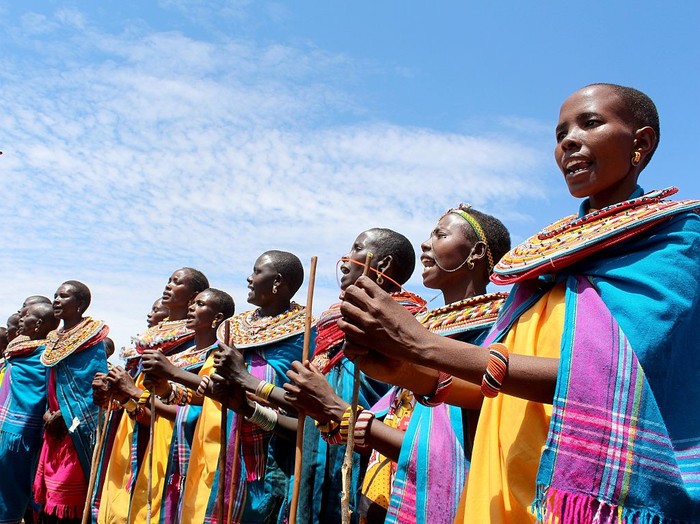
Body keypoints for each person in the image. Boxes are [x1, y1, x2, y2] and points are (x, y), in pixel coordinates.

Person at [336, 83, 700, 522]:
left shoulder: (676, 242)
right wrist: (410, 371)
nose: (568, 140)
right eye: (560, 132)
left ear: (640, 143)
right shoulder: (545, 265)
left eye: (591, 123)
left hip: (583, 500)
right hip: (505, 489)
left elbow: (614, 383)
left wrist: (424, 346)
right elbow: (496, 390)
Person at [287, 209, 510, 523]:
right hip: (386, 488)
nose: (425, 245)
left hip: (450, 497)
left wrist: (337, 410)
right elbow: (389, 416)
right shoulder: (417, 327)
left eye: (440, 235)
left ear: (475, 253)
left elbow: (452, 447)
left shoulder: (500, 326)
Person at [266, 228, 423, 524]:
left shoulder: (407, 324)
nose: (346, 261)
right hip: (313, 456)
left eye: (357, 249)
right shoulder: (328, 324)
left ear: (383, 265)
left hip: (367, 459)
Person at [198, 250, 310, 523]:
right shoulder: (231, 328)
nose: (249, 278)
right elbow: (214, 375)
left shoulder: (307, 329)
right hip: (231, 437)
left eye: (257, 271)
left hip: (278, 445)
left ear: (277, 281)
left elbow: (304, 394)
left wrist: (246, 378)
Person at [96, 268, 209, 523]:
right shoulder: (148, 341)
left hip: (166, 428)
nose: (168, 286)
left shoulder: (195, 342)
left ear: (194, 296)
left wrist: (134, 392)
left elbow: (193, 399)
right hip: (134, 420)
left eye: (177, 283)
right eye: (168, 280)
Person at [134, 287, 235, 522]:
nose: (191, 308)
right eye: (192, 304)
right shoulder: (178, 356)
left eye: (200, 304)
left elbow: (206, 402)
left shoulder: (219, 356)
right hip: (162, 438)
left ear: (217, 318)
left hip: (194, 441)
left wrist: (156, 391)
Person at [33, 280, 109, 523]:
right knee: (47, 495)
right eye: (55, 295)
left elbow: (93, 385)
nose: (56, 300)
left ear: (80, 305)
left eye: (64, 296)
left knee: (69, 495)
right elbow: (51, 382)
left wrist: (66, 417)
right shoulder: (54, 338)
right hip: (52, 423)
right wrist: (48, 411)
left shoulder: (92, 340)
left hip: (75, 427)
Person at [0, 302, 59, 522]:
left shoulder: (47, 356)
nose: (20, 320)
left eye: (26, 316)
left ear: (38, 325)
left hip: (22, 434)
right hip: (7, 430)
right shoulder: (21, 352)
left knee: (12, 489)